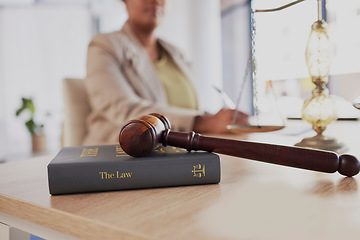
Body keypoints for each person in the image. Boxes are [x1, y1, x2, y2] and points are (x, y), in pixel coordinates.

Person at [83, 0, 248, 145]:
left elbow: (188, 109)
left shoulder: (177, 54)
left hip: (179, 154)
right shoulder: (104, 45)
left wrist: (220, 120)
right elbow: (124, 109)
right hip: (121, 157)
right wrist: (203, 122)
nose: (155, 1)